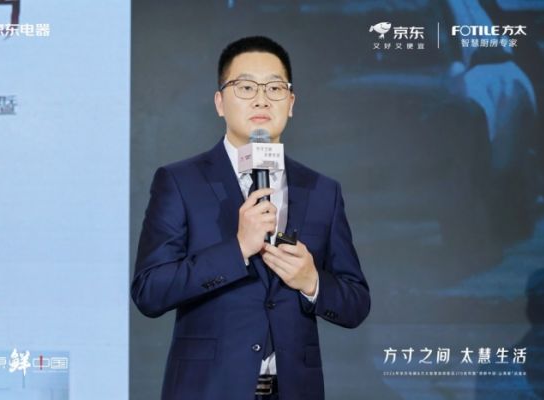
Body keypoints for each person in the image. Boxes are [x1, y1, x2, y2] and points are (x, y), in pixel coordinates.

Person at [131, 36, 370, 400]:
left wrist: (311, 282)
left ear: (291, 103)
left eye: (275, 88)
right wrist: (238, 249)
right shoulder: (180, 181)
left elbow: (355, 303)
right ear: (219, 102)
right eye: (245, 87)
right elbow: (149, 291)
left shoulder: (322, 190)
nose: (261, 99)